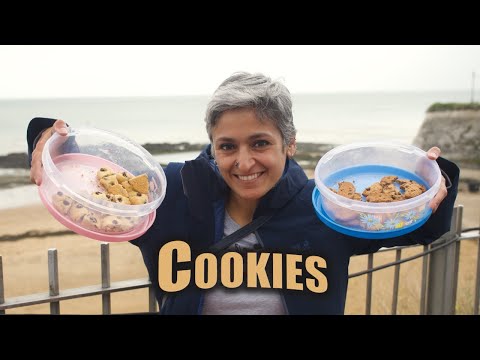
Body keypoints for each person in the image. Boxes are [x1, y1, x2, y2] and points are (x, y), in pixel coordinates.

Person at [27, 71, 459, 315]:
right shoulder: (171, 195)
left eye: (260, 143)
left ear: (289, 143)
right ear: (212, 145)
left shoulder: (327, 208)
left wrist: (435, 176)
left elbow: (423, 227)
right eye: (227, 146)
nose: (244, 163)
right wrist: (45, 138)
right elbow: (95, 180)